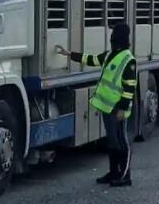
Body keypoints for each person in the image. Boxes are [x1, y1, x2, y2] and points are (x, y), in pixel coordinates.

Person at [56, 21, 138, 187]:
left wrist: (122, 108)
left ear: (119, 37)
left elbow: (130, 87)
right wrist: (70, 54)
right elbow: (92, 59)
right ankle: (113, 172)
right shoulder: (109, 55)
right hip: (107, 107)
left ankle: (125, 176)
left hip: (117, 109)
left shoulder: (128, 60)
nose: (111, 37)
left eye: (114, 34)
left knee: (122, 142)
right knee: (112, 142)